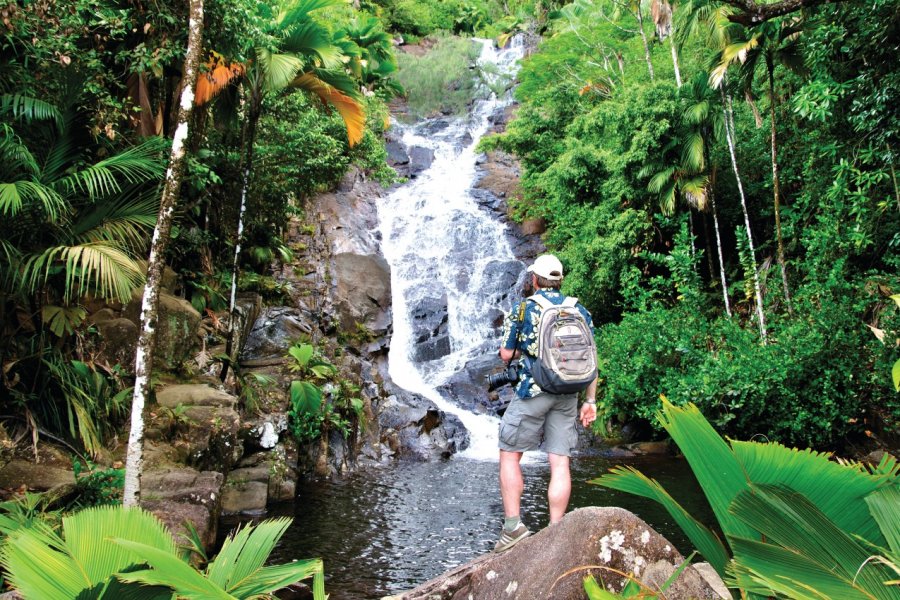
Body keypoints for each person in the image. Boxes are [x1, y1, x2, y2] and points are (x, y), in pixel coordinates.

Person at [493, 254, 598, 552]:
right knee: (559, 460)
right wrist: (590, 400)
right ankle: (555, 531)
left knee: (510, 453)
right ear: (560, 280)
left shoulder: (524, 308)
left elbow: (505, 354)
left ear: (535, 280)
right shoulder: (579, 309)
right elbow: (591, 357)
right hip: (569, 393)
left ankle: (513, 528)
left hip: (532, 391)